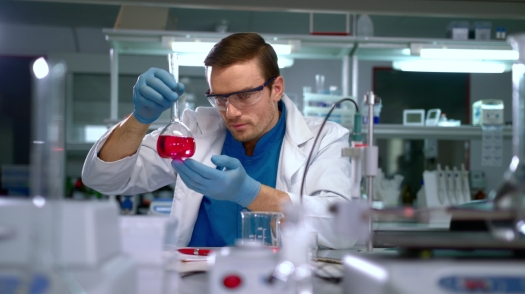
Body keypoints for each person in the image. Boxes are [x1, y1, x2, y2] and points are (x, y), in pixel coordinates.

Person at [82, 32, 354, 248]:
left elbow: (343, 228)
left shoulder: (324, 139)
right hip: (194, 284)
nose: (231, 111)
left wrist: (250, 193)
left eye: (245, 95)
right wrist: (140, 118)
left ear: (276, 89)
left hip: (277, 283)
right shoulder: (194, 128)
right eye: (220, 98)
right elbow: (103, 179)